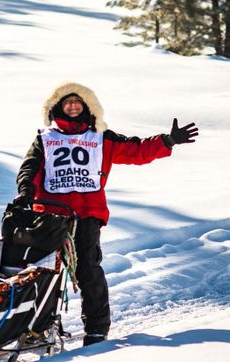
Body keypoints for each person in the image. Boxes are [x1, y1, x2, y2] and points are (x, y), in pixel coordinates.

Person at [14, 81, 198, 346]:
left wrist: (167, 141)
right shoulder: (45, 138)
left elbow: (135, 150)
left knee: (88, 269)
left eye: (78, 102)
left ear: (88, 107)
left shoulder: (100, 138)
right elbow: (29, 168)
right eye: (67, 102)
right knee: (41, 272)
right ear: (57, 107)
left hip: (87, 214)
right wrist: (25, 192)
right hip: (50, 215)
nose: (73, 106)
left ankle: (97, 329)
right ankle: (35, 327)